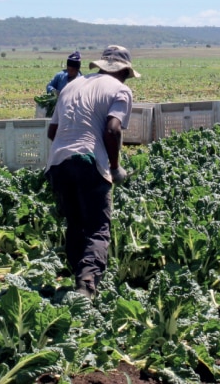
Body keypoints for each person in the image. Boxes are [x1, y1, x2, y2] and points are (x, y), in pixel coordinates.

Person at [44, 45, 140, 299]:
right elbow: (112, 129)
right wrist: (115, 166)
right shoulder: (120, 90)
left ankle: (78, 281)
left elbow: (52, 133)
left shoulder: (70, 86)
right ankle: (86, 285)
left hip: (57, 162)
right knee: (98, 228)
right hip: (88, 161)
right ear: (124, 72)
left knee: (75, 224)